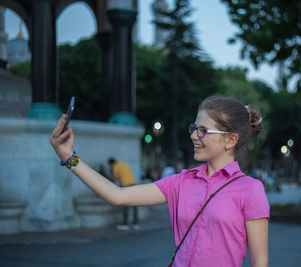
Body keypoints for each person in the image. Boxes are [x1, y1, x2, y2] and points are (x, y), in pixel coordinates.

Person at [49, 96, 269, 267]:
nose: (194, 136)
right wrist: (69, 158)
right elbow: (118, 196)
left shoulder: (250, 190)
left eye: (203, 131)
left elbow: (260, 262)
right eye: (194, 128)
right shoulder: (182, 182)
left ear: (230, 140)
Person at [108, 157, 138, 230]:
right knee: (135, 205)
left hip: (126, 185)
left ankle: (125, 223)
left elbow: (115, 178)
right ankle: (135, 223)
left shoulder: (115, 166)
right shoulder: (123, 164)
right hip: (133, 183)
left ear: (111, 164)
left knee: (126, 205)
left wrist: (108, 181)